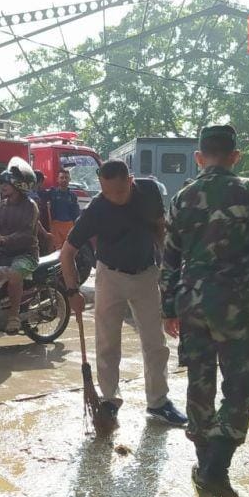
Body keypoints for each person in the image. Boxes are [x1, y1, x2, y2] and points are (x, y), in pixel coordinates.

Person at [161, 125, 249, 497]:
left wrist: (168, 307)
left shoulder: (183, 197)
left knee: (199, 381)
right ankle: (216, 466)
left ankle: (206, 464)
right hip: (234, 302)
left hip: (191, 301)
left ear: (199, 157)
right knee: (242, 381)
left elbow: (169, 258)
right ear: (236, 157)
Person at [61, 159, 187, 430]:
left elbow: (160, 231)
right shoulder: (97, 208)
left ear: (130, 180)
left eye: (119, 192)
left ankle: (158, 402)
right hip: (110, 275)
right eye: (106, 192)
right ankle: (109, 400)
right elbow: (67, 253)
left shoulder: (149, 192)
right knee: (107, 343)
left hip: (145, 273)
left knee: (155, 343)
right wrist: (72, 291)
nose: (113, 198)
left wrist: (169, 274)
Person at [0, 159, 40, 334]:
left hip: (26, 255)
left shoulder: (30, 207)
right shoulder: (4, 205)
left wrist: (3, 239)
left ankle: (14, 316)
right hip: (5, 253)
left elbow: (26, 234)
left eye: (6, 183)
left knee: (14, 273)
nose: (3, 186)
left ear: (19, 185)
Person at [43, 168, 81, 250]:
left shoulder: (72, 196)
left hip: (69, 226)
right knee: (57, 251)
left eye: (66, 177)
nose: (64, 180)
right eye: (62, 177)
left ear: (69, 179)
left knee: (68, 250)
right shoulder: (52, 193)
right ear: (57, 179)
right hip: (56, 227)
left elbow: (76, 213)